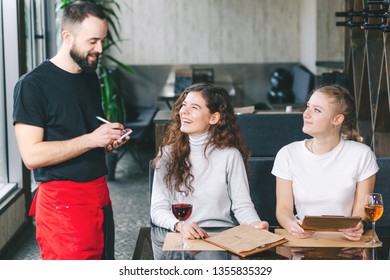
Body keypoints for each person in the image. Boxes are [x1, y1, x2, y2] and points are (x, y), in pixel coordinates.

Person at [12, 1, 130, 260]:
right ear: (67, 36)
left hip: (99, 195)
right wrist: (91, 139)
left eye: (102, 40)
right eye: (92, 41)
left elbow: (85, 131)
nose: (99, 49)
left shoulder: (88, 76)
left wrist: (106, 139)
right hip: (62, 204)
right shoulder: (32, 85)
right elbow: (32, 156)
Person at [150, 83, 269, 240]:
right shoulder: (167, 154)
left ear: (214, 118)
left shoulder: (230, 155)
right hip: (181, 237)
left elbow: (242, 206)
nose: (183, 111)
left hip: (221, 237)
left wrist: (255, 225)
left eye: (194, 107)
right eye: (184, 105)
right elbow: (157, 210)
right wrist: (180, 226)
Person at [272, 85, 379, 241]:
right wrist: (290, 224)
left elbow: (361, 212)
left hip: (346, 243)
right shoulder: (287, 154)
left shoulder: (362, 155)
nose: (306, 114)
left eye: (317, 110)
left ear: (337, 119)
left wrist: (358, 225)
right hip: (303, 241)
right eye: (308, 106)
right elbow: (283, 209)